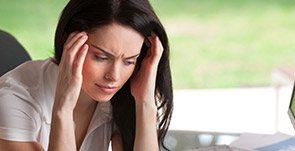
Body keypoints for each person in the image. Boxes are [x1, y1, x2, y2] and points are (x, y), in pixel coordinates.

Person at [0, 0, 173, 150]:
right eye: (101, 57)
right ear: (69, 42)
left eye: (129, 61)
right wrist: (63, 109)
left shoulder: (120, 96)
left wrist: (145, 103)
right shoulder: (14, 100)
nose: (114, 76)